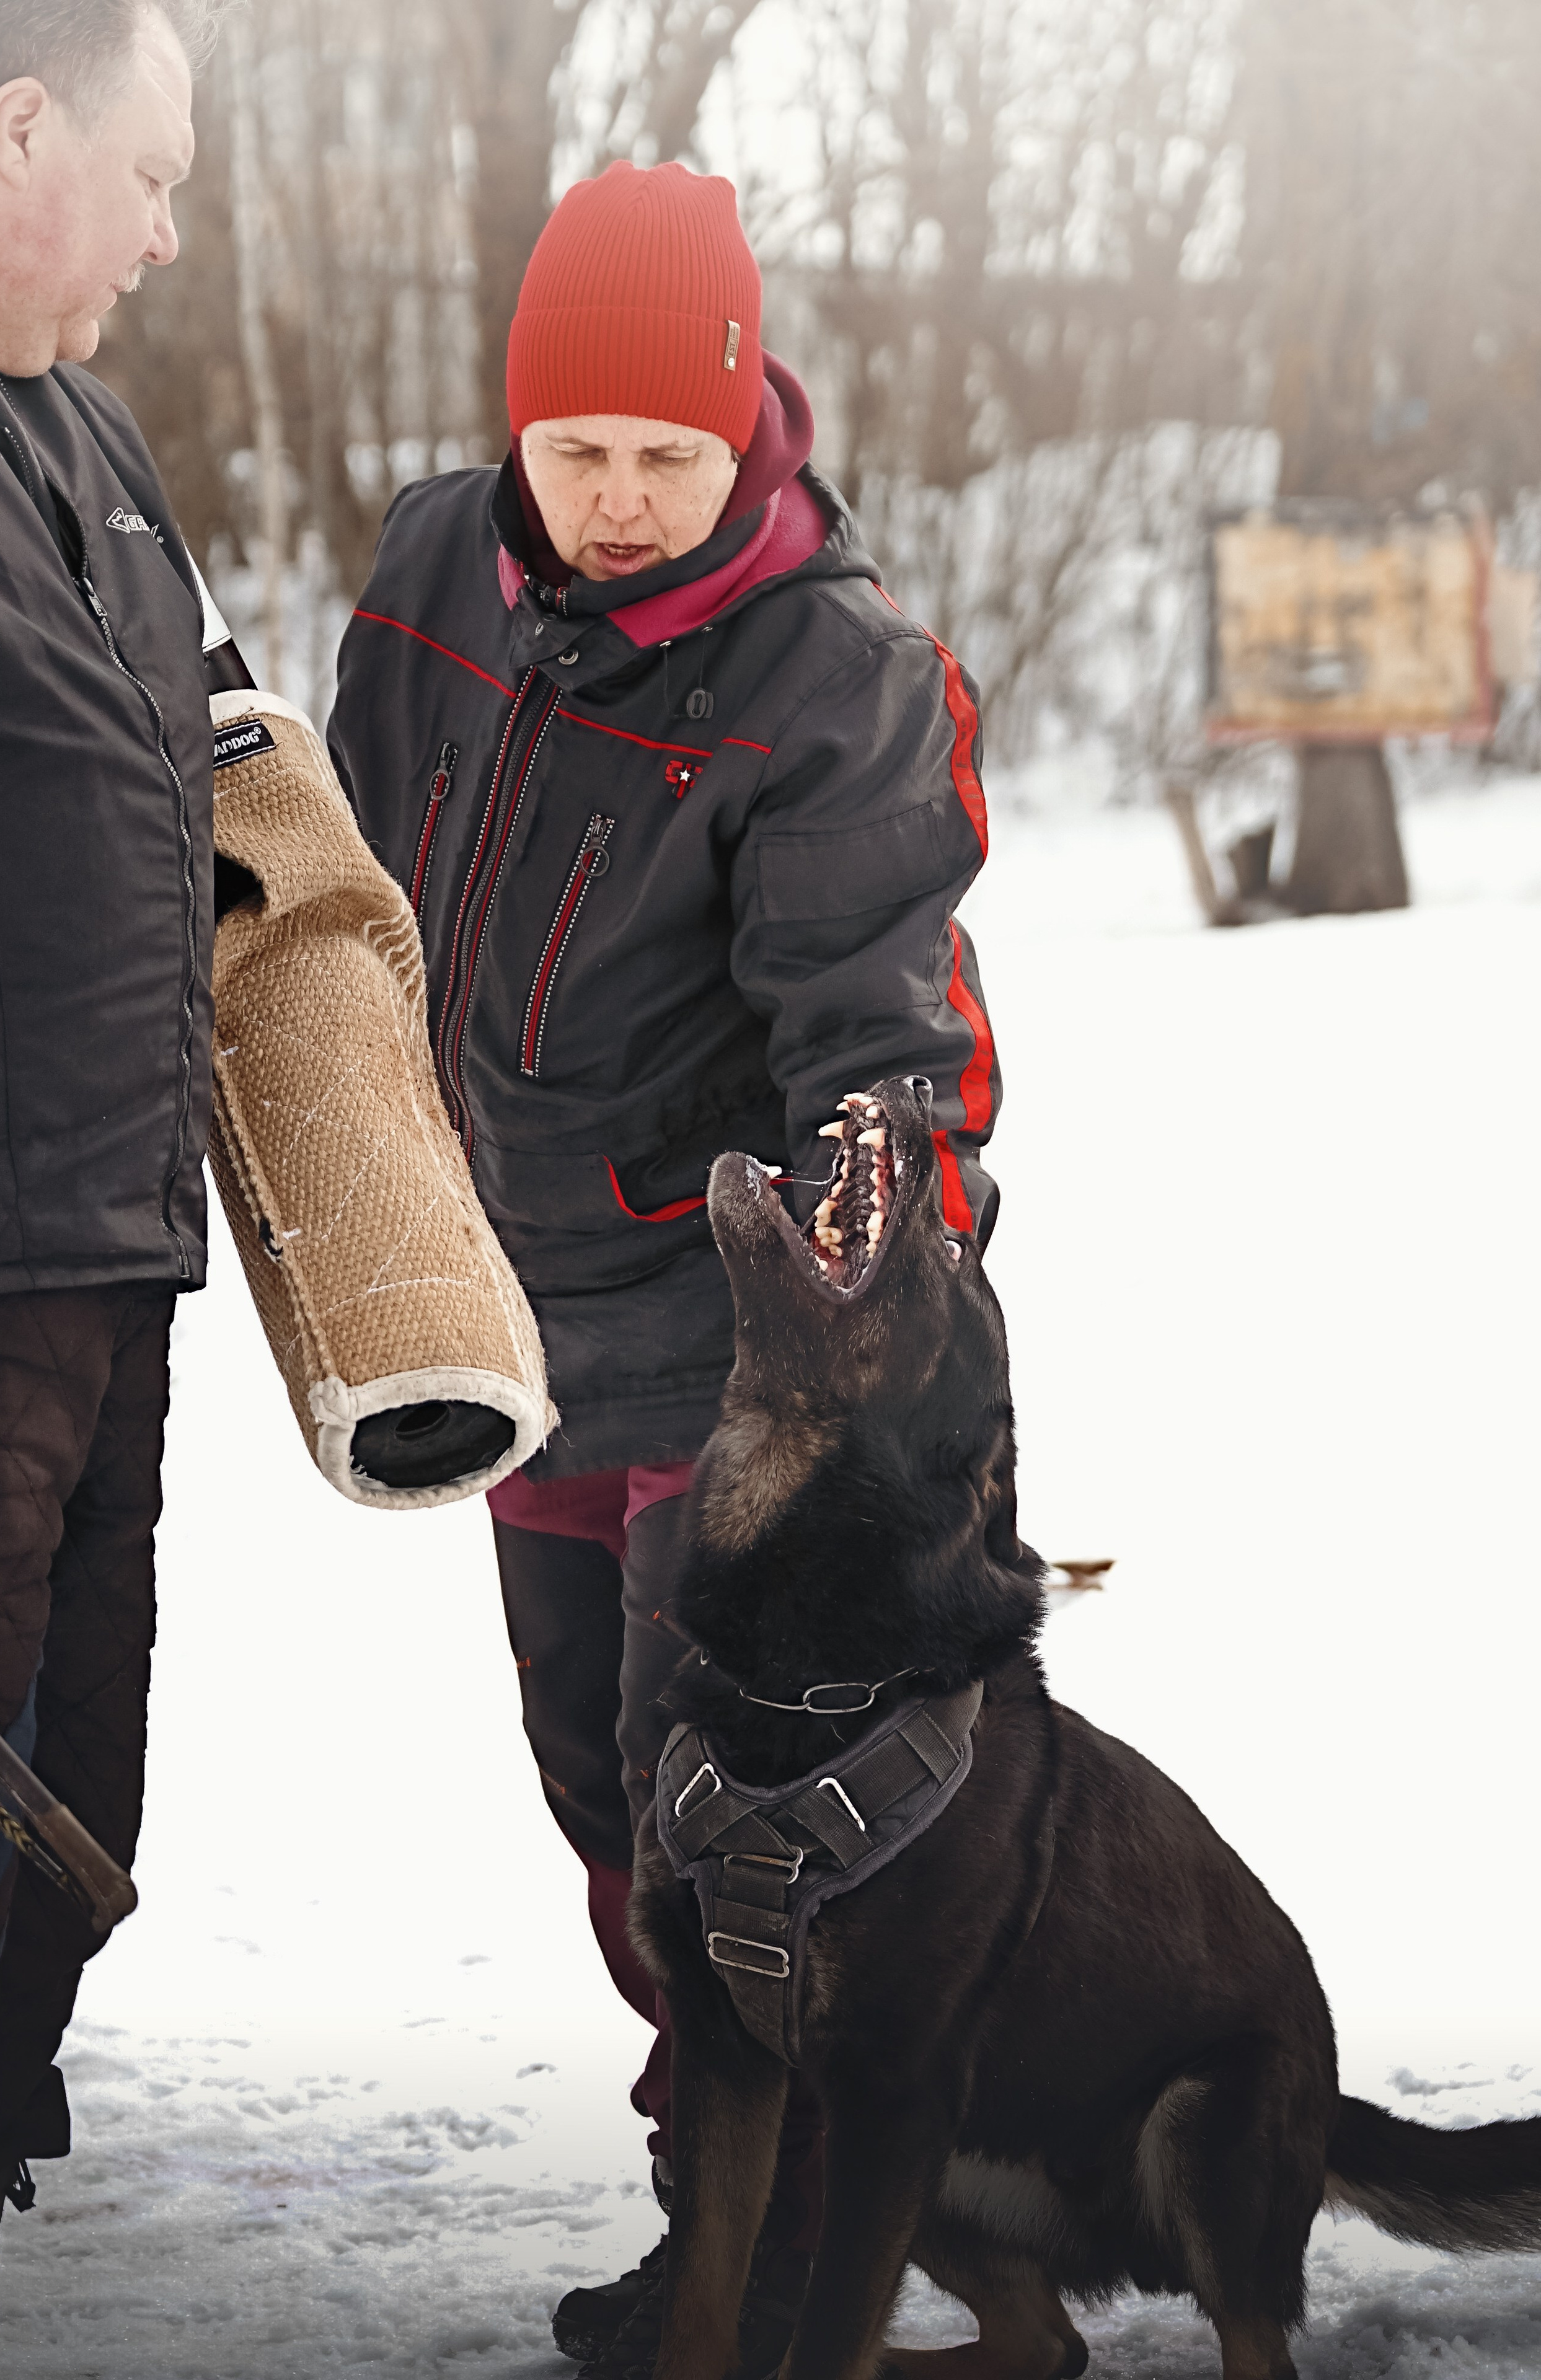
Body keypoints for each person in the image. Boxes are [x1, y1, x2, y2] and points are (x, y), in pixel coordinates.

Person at [329, 159, 1002, 2378]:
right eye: (580, 451)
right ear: (516, 432)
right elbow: (347, 883)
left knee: (746, 1834)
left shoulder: (829, 676)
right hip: (501, 1318)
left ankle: (801, 2263)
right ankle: (726, 2195)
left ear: (752, 439)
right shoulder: (437, 560)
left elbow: (879, 1036)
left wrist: (875, 1265)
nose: (620, 504)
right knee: (605, 1799)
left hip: (731, 1377)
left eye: (670, 458)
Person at [0, 1, 223, 2360]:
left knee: (56, 1835)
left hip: (113, 1279)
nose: (166, 234)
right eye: (145, 176)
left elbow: (214, 760)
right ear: (15, 122)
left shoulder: (97, 440)